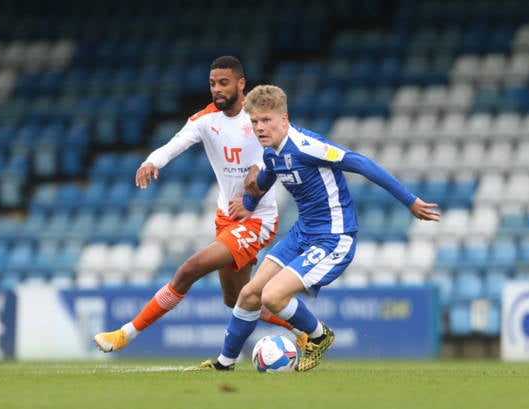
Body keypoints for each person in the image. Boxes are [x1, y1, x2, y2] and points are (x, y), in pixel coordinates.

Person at [185, 84, 440, 372]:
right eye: (254, 121)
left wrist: (410, 201)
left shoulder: (307, 146)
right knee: (248, 294)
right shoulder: (271, 153)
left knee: (272, 296)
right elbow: (267, 178)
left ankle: (319, 336)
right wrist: (248, 204)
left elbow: (360, 162)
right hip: (302, 233)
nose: (259, 128)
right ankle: (224, 364)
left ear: (284, 118)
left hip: (333, 238)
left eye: (266, 120)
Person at [93, 57, 304, 354]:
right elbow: (176, 142)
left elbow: (283, 147)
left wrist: (259, 169)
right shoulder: (206, 120)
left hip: (258, 219)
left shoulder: (259, 116)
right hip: (226, 218)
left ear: (241, 84)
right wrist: (152, 161)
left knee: (189, 268)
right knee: (236, 299)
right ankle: (303, 331)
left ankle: (126, 333)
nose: (216, 89)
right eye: (212, 84)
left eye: (223, 83)